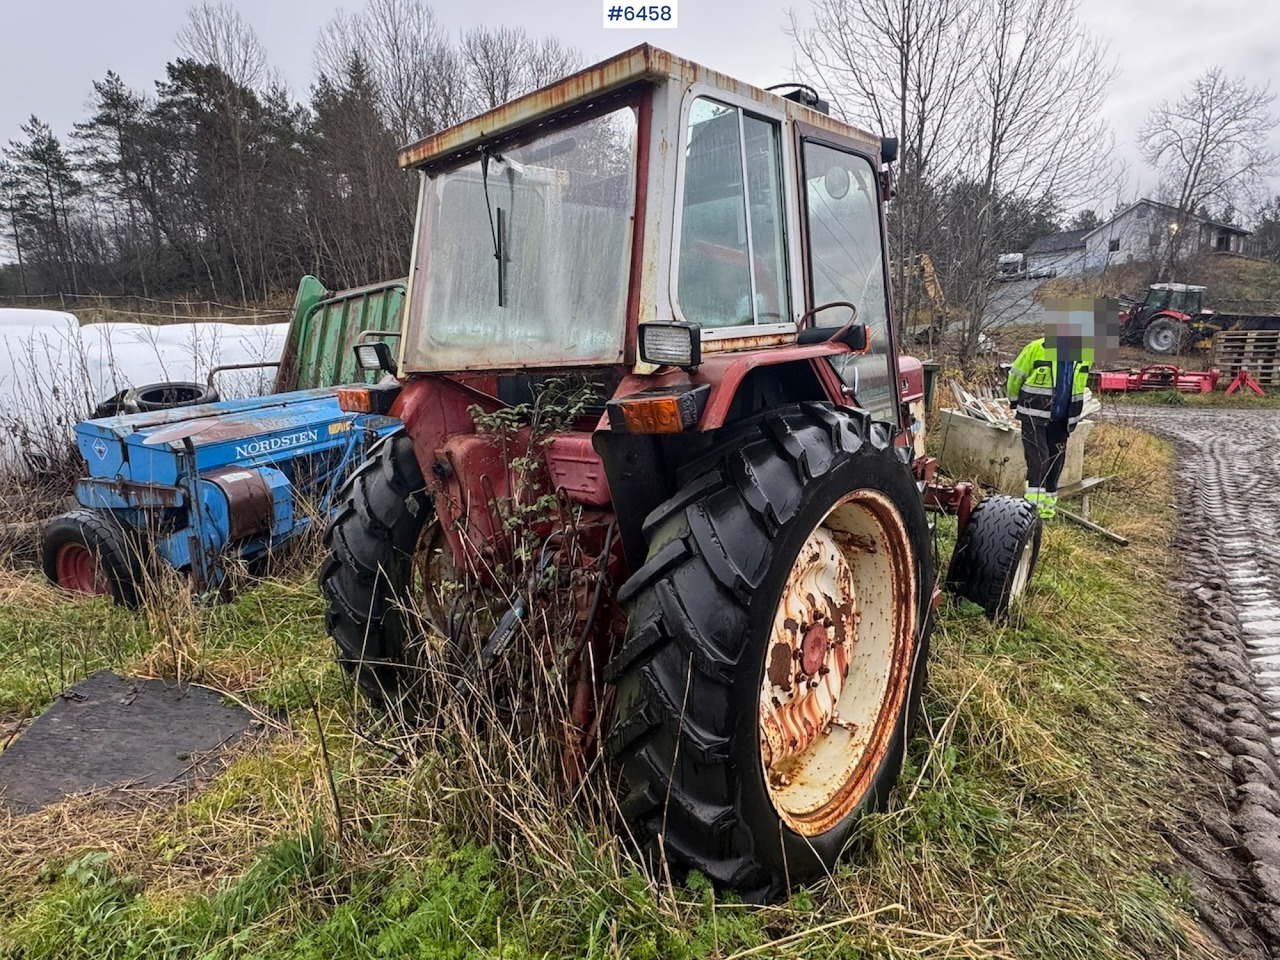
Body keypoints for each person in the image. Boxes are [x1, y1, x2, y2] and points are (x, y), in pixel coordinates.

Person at [1006, 299, 1116, 519]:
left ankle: (1046, 508)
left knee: (1056, 460)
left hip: (1064, 418)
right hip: (1034, 414)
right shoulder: (1036, 348)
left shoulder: (1084, 354)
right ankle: (1031, 509)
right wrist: (1014, 401)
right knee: (1038, 459)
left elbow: (1079, 385)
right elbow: (1015, 377)